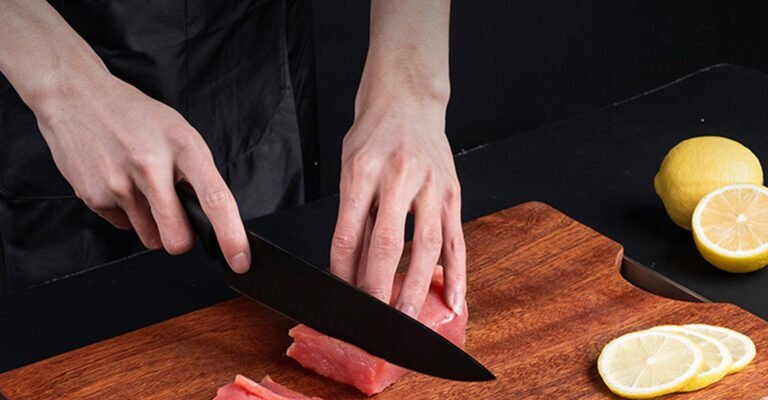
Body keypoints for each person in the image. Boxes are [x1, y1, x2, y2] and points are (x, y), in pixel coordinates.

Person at [0, 0, 466, 319]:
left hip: (248, 56)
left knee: (244, 310)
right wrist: (62, 87)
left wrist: (412, 88)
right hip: (35, 60)